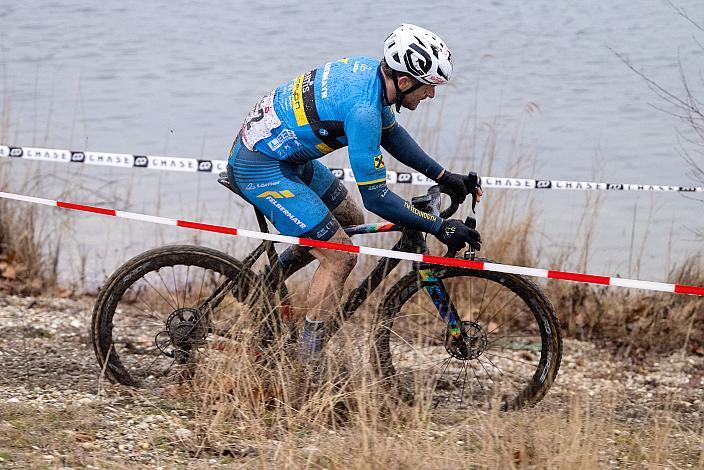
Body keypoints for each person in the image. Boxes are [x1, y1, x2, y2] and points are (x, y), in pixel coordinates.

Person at [227, 24, 483, 365]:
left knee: (348, 219)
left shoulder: (373, 76)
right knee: (341, 256)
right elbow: (376, 198)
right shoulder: (363, 110)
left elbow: (391, 134)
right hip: (262, 167)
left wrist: (443, 175)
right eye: (429, 87)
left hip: (284, 156)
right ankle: (306, 366)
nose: (431, 95)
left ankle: (263, 288)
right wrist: (438, 226)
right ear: (405, 82)